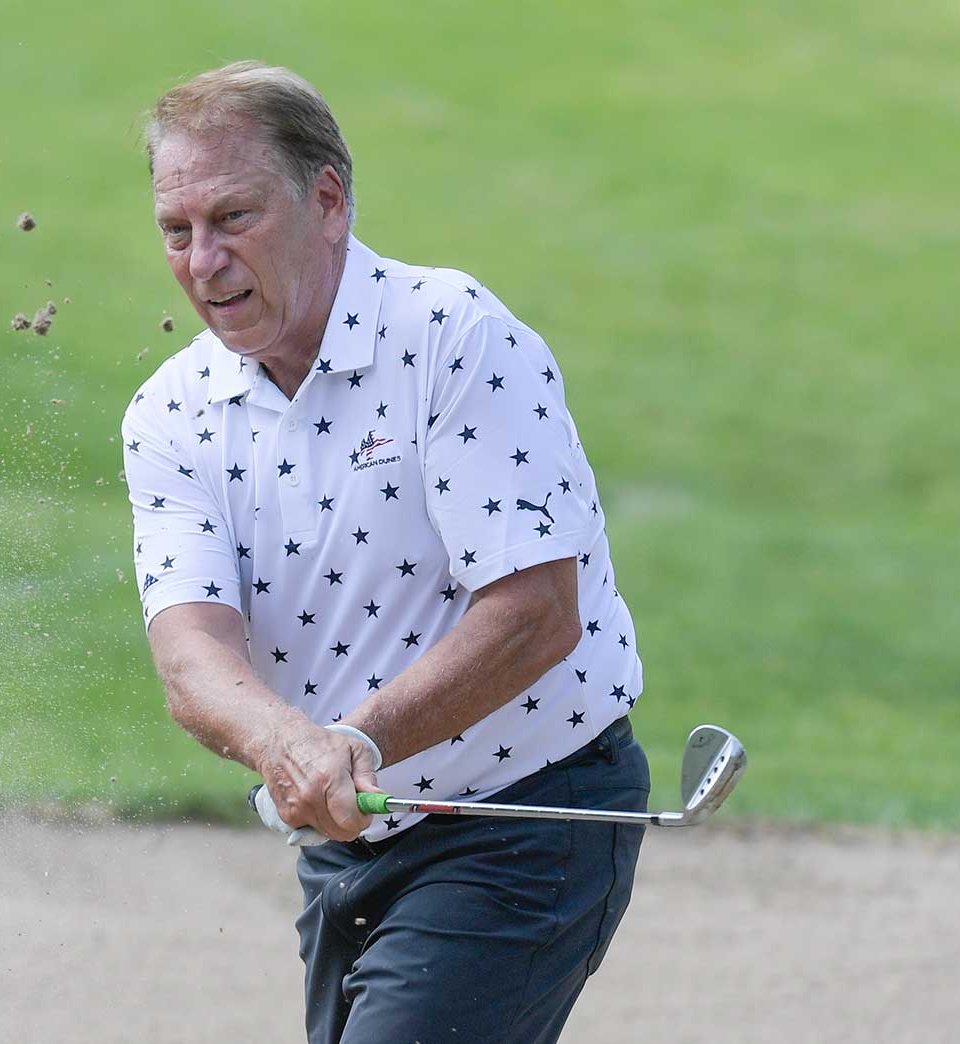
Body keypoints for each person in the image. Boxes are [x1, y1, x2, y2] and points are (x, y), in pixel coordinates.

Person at [121, 61, 650, 1043]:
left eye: (232, 218)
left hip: (523, 815)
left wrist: (351, 743)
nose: (202, 261)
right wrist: (291, 747)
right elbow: (191, 657)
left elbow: (534, 611)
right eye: (175, 230)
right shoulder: (170, 412)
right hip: (348, 840)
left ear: (325, 200)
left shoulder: (455, 341)